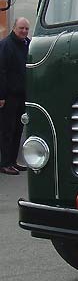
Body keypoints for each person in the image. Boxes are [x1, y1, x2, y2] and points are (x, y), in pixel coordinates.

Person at [0, 17, 30, 175]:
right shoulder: (5, 45)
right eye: (21, 28)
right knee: (7, 130)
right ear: (14, 28)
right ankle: (4, 163)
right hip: (9, 96)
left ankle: (13, 161)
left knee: (18, 129)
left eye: (26, 29)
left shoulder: (28, 44)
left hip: (22, 95)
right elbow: (1, 71)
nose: (24, 31)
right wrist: (1, 96)